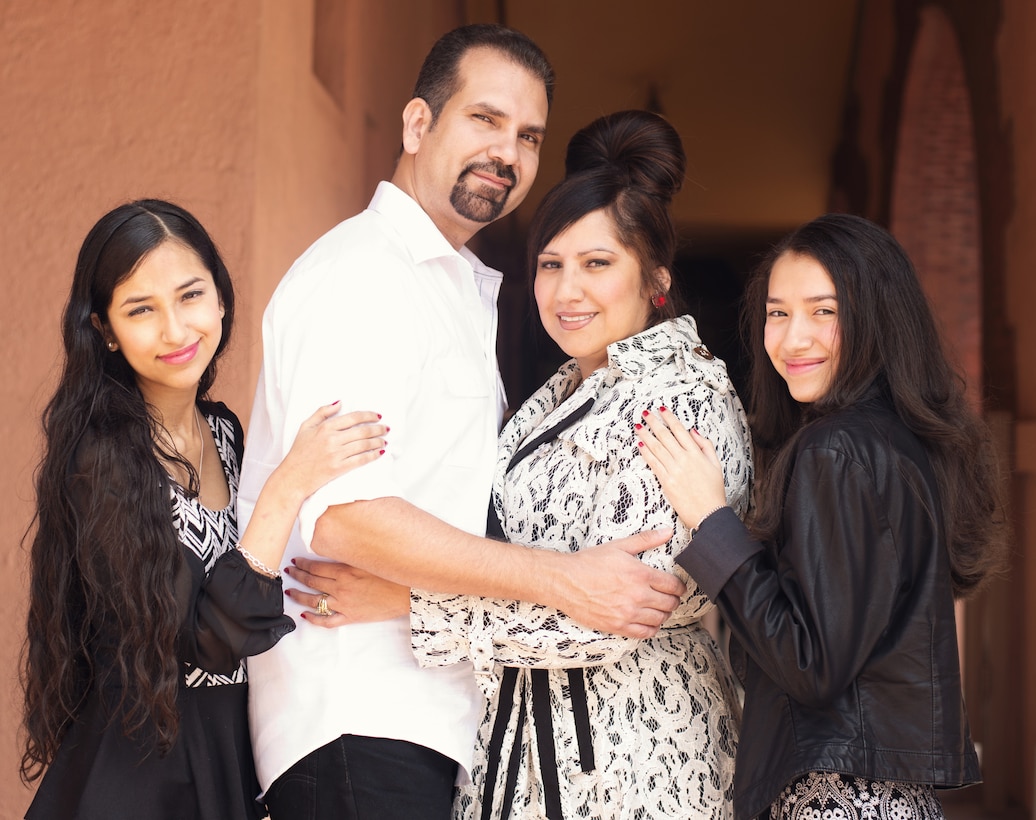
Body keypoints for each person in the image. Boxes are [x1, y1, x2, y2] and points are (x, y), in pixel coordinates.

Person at [238, 24, 683, 820]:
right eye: (484, 119)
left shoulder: (456, 287)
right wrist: (562, 579)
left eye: (528, 135)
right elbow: (346, 516)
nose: (507, 152)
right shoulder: (362, 276)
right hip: (357, 718)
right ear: (417, 125)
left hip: (433, 723)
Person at [398, 109, 752, 820]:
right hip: (520, 755)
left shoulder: (680, 398)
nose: (567, 292)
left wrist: (409, 607)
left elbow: (621, 612)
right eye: (550, 266)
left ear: (655, 278)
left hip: (636, 762)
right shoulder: (560, 390)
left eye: (597, 264)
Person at [21, 199, 387, 820]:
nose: (175, 330)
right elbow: (203, 642)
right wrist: (289, 482)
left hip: (230, 761)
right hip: (140, 780)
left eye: (190, 296)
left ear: (220, 298)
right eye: (141, 310)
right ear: (105, 329)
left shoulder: (224, 432)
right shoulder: (100, 457)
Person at [637, 213, 1007, 820]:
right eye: (778, 313)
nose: (792, 339)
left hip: (836, 800)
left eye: (823, 312)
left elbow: (810, 665)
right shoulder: (895, 442)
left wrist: (711, 520)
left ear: (874, 319)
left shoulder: (834, 450)